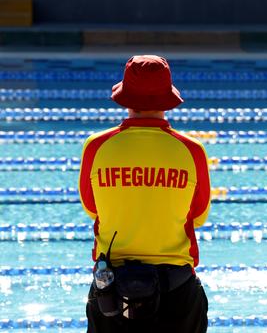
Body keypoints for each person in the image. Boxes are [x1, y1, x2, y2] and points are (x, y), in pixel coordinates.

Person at [79, 55, 211, 333]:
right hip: (177, 289)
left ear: (125, 97)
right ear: (167, 99)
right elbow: (198, 216)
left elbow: (92, 209)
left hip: (112, 289)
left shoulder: (96, 146)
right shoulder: (192, 150)